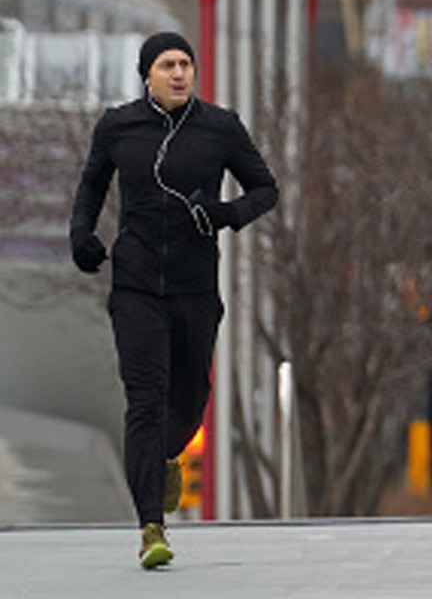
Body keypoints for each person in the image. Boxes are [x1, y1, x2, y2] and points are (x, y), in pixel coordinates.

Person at [69, 31, 278, 569]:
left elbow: (264, 189)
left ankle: (167, 456)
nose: (180, 72)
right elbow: (92, 184)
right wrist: (83, 236)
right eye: (168, 64)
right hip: (136, 284)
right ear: (148, 73)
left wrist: (224, 214)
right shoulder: (119, 126)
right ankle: (150, 528)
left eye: (186, 63)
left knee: (188, 405)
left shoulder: (220, 128)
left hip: (194, 288)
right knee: (144, 398)